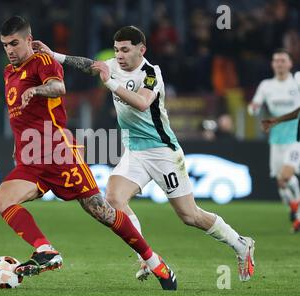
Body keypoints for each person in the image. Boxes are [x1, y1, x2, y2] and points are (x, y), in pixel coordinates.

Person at [33, 25, 255, 282]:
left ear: (142, 49)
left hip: (162, 152)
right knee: (114, 199)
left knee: (189, 215)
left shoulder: (151, 73)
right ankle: (145, 259)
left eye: (125, 50)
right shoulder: (113, 65)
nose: (119, 56)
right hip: (135, 152)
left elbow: (141, 102)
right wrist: (54, 55)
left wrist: (110, 82)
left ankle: (241, 244)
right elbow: (89, 65)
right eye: (116, 50)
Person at [0, 16, 177, 290]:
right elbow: (20, 117)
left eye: (15, 43)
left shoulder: (41, 62)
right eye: (5, 45)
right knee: (2, 199)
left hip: (58, 154)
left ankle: (155, 262)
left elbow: (59, 87)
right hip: (30, 157)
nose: (10, 50)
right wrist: (16, 146)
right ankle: (46, 250)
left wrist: (36, 89)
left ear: (28, 40)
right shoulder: (9, 72)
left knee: (102, 211)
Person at [248, 49, 300, 232]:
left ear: (290, 64)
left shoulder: (297, 81)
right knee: (281, 183)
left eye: (283, 60)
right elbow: (255, 105)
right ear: (272, 64)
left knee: (286, 175)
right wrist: (254, 109)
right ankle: (294, 210)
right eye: (276, 60)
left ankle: (297, 210)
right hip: (276, 139)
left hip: (295, 138)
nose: (279, 63)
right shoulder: (266, 85)